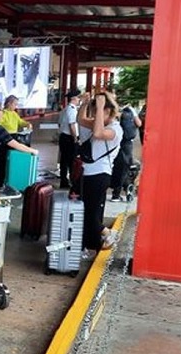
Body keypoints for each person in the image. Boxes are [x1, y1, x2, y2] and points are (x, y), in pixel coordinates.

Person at [76, 92, 123, 260]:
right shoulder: (101, 124)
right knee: (90, 212)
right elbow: (81, 121)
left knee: (90, 214)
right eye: (94, 111)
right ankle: (91, 246)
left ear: (109, 111)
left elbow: (97, 134)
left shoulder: (115, 130)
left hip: (100, 175)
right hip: (89, 174)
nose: (95, 115)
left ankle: (108, 233)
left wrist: (102, 106)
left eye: (98, 112)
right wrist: (85, 104)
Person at [0, 95, 33, 189]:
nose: (15, 106)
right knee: (3, 161)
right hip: (5, 138)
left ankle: (12, 181)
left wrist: (27, 124)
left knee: (14, 160)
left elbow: (20, 122)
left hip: (14, 137)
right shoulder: (3, 114)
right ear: (9, 103)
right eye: (14, 104)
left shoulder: (14, 114)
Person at [110, 103, 142, 201]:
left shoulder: (117, 112)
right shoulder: (131, 111)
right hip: (127, 144)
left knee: (120, 166)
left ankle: (120, 189)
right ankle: (123, 189)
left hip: (117, 142)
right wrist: (134, 113)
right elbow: (139, 123)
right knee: (125, 167)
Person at [58, 90, 81, 188]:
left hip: (63, 137)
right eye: (78, 97)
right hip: (69, 138)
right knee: (72, 161)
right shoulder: (72, 110)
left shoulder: (64, 109)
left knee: (64, 160)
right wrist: (75, 138)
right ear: (74, 99)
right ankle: (72, 181)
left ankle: (64, 181)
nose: (79, 99)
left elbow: (59, 123)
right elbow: (72, 125)